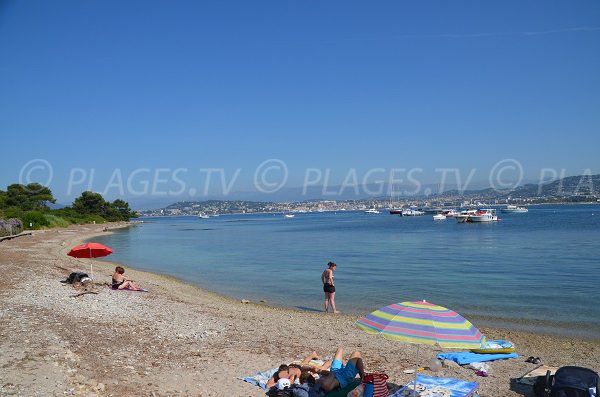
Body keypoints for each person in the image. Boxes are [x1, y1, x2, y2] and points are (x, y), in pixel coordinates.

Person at [293, 347, 366, 397]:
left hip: (336, 372)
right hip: (343, 377)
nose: (311, 375)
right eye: (310, 375)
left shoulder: (317, 382)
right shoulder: (323, 384)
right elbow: (331, 374)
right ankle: (364, 378)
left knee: (340, 349)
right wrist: (320, 371)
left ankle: (348, 365)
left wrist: (313, 370)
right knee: (356, 354)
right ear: (305, 381)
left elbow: (302, 368)